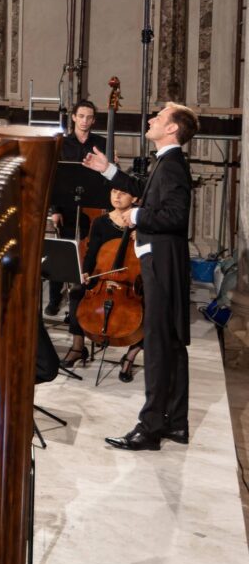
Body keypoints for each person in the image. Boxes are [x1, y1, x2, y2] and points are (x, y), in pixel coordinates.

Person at [83, 102, 197, 451]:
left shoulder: (172, 165)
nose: (151, 120)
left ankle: (149, 429)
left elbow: (176, 216)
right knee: (171, 343)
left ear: (172, 128)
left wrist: (136, 216)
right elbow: (142, 188)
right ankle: (175, 423)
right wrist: (108, 170)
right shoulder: (167, 161)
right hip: (163, 260)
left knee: (159, 345)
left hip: (162, 262)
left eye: (159, 118)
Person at [60, 187, 142, 376]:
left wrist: (144, 237)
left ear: (135, 198)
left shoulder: (142, 223)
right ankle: (78, 347)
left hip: (130, 282)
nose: (117, 196)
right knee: (77, 292)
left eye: (123, 193)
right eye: (114, 192)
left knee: (154, 306)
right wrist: (85, 272)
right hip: (102, 277)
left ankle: (130, 355)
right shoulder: (100, 222)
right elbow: (92, 252)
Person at [45, 100, 106, 315]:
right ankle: (55, 299)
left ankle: (83, 300)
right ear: (74, 117)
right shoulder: (62, 143)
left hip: (92, 208)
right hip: (67, 207)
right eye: (81, 116)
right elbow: (54, 178)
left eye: (89, 117)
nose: (84, 121)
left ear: (94, 120)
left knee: (89, 254)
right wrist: (55, 210)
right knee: (61, 254)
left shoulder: (101, 143)